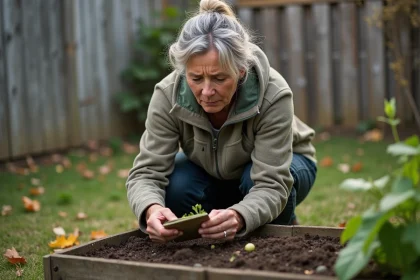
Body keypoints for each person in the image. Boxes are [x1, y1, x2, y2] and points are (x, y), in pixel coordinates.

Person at [126, 0, 317, 243]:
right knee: (176, 186)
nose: (206, 91)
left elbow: (271, 183)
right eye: (196, 78)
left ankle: (280, 227)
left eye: (218, 78)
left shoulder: (273, 94)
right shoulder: (167, 95)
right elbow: (146, 171)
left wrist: (240, 215)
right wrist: (151, 209)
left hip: (288, 166)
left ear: (240, 71)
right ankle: (224, 220)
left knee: (253, 180)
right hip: (213, 172)